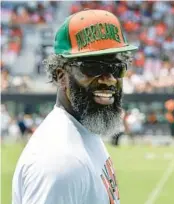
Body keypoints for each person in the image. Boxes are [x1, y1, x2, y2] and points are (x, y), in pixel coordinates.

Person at [12, 9, 138, 204]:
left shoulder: (83, 131)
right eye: (93, 67)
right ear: (62, 76)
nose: (110, 79)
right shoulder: (60, 162)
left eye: (117, 67)